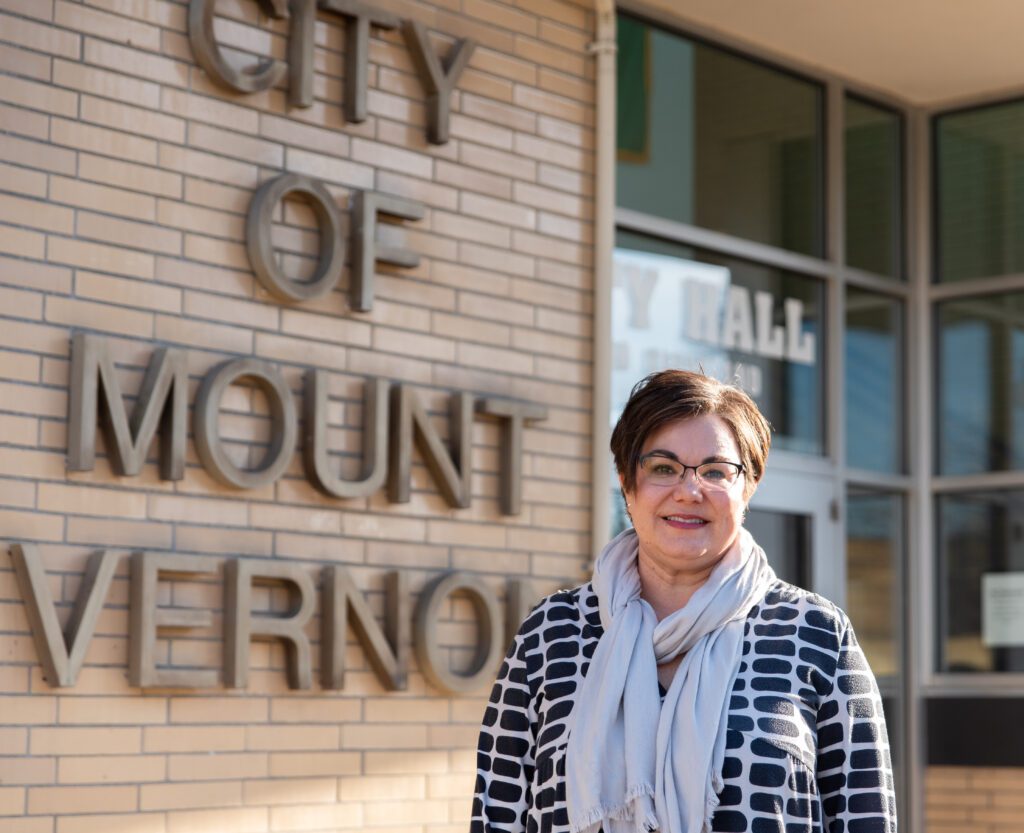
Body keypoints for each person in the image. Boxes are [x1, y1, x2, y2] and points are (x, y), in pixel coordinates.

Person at [471, 369, 896, 833]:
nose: (689, 490)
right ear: (626, 483)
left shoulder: (815, 632)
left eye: (716, 471)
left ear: (748, 487)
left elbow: (866, 815)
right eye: (663, 467)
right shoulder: (550, 634)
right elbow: (497, 813)